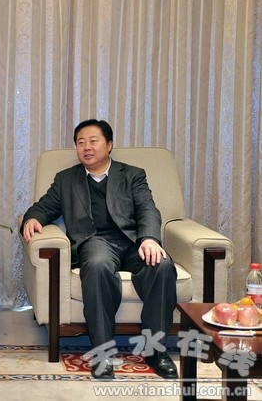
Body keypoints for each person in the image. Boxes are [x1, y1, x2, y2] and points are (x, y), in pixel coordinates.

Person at [21, 119, 178, 380]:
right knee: (96, 266)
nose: (86, 147)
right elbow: (44, 207)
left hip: (133, 242)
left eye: (93, 141)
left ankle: (156, 350)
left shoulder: (132, 174)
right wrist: (32, 218)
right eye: (80, 142)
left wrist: (150, 239)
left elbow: (147, 208)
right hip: (95, 241)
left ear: (109, 145)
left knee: (161, 266)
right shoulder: (66, 179)